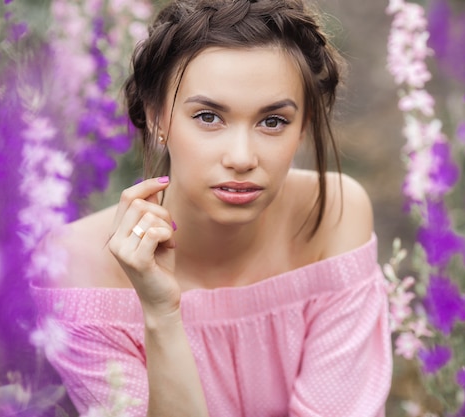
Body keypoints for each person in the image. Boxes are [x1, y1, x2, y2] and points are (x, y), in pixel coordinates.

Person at [32, 0, 392, 416]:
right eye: (208, 117)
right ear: (156, 117)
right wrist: (162, 315)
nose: (241, 157)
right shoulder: (77, 265)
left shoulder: (332, 216)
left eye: (272, 121)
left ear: (305, 124)